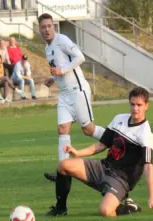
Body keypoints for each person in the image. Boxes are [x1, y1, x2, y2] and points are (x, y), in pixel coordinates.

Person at [45, 88, 153, 217]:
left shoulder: (145, 133)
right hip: (103, 167)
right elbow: (101, 145)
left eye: (139, 105)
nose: (135, 108)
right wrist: (77, 153)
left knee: (105, 211)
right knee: (64, 165)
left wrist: (152, 197)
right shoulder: (119, 119)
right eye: (132, 104)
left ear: (146, 106)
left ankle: (130, 207)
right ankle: (60, 209)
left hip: (120, 180)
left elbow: (148, 166)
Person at [38, 13, 107, 183]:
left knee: (88, 130)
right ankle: (63, 169)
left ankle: (118, 140)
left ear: (54, 26)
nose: (47, 30)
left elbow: (80, 58)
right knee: (62, 129)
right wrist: (53, 78)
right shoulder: (47, 49)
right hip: (64, 94)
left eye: (49, 26)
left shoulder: (62, 40)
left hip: (78, 91)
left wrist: (62, 71)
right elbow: (59, 68)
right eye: (43, 27)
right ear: (39, 29)